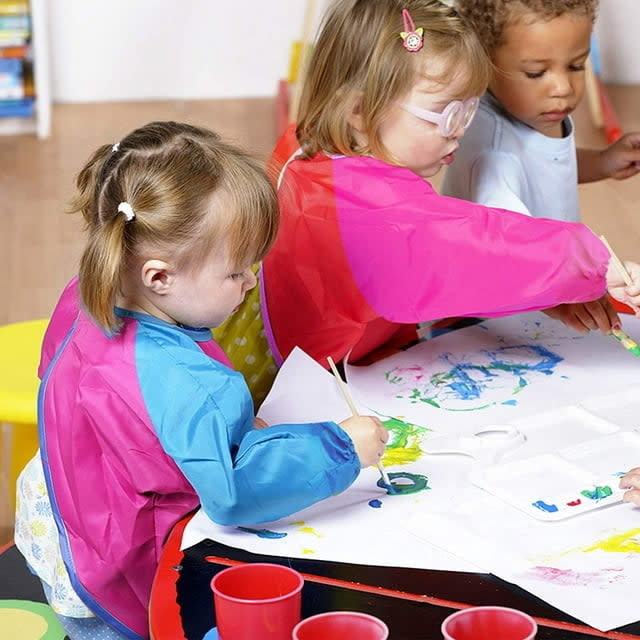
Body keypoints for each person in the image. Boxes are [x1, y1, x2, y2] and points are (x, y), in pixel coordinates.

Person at [13, 121, 387, 640]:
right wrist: (342, 446)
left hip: (58, 509)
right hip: (113, 565)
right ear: (159, 277)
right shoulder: (192, 386)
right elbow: (231, 495)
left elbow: (84, 392)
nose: (250, 282)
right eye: (236, 272)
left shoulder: (87, 291)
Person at [241, 0, 640, 373]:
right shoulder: (372, 212)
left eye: (469, 109)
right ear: (360, 112)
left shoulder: (309, 146)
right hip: (306, 374)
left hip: (322, 343)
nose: (460, 132)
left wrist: (546, 294)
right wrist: (592, 263)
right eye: (446, 114)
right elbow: (465, 245)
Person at [442, 0, 640, 334]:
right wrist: (596, 270)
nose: (562, 87)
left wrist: (603, 161)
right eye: (536, 73)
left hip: (541, 291)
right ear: (484, 62)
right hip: (489, 317)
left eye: (576, 65)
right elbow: (512, 242)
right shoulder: (493, 155)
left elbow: (543, 164)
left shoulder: (522, 112)